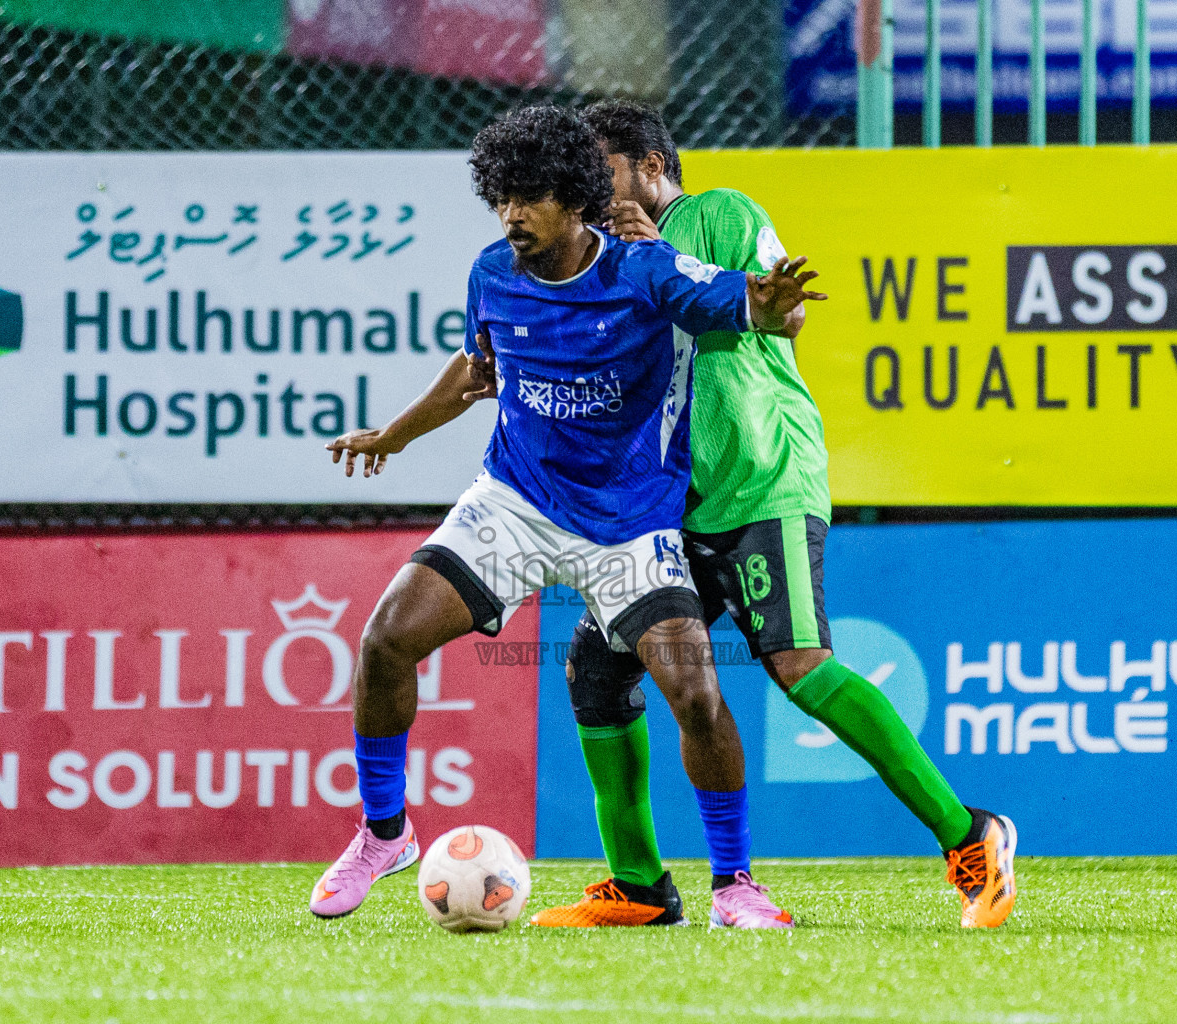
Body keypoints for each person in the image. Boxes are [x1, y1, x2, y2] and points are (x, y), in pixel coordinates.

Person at [306, 105, 823, 929]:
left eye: (531, 197)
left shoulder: (645, 271)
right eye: (502, 197)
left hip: (629, 521)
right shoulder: (491, 273)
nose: (512, 214)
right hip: (515, 501)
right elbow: (473, 369)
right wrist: (392, 436)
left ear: (577, 199)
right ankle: (384, 834)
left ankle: (734, 886)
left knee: (695, 693)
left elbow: (746, 305)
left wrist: (771, 304)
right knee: (385, 639)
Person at [517, 100, 1017, 930]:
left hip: (758, 479)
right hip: (665, 504)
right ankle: (640, 886)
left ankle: (970, 835)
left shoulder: (719, 214)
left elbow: (784, 311)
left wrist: (661, 253)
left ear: (649, 165)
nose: (588, 190)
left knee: (800, 667)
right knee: (597, 669)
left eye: (600, 170)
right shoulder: (600, 258)